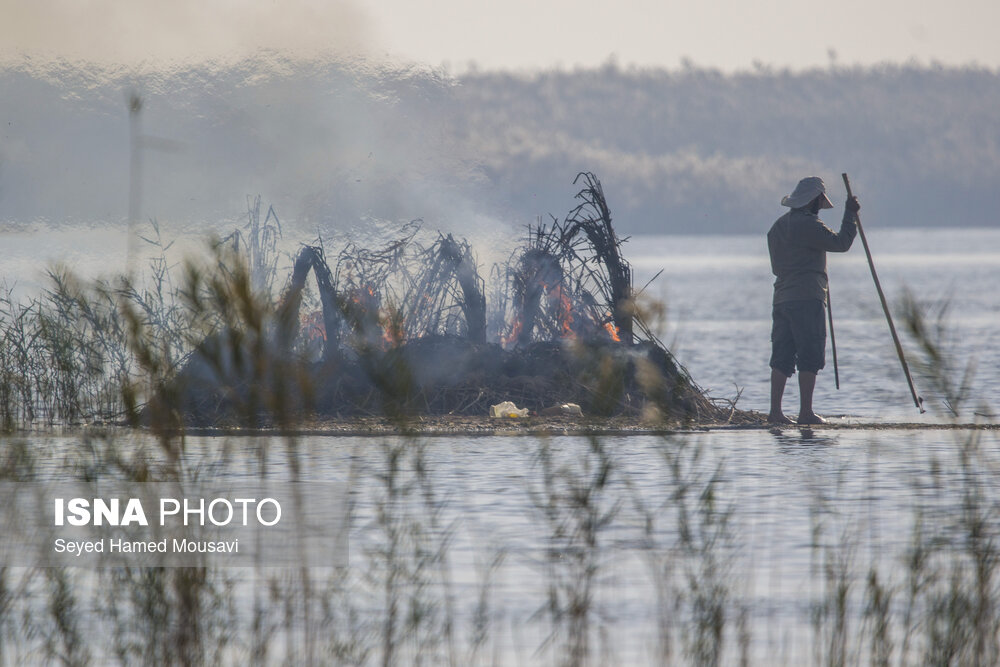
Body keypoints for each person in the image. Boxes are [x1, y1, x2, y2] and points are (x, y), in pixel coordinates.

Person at [767, 176, 860, 425]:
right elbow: (841, 243)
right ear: (813, 201)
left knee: (782, 354)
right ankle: (805, 412)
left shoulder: (777, 227)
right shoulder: (809, 225)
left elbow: (777, 266)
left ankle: (775, 413)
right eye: (820, 200)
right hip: (808, 298)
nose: (821, 205)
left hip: (782, 298)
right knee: (809, 352)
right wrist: (850, 215)